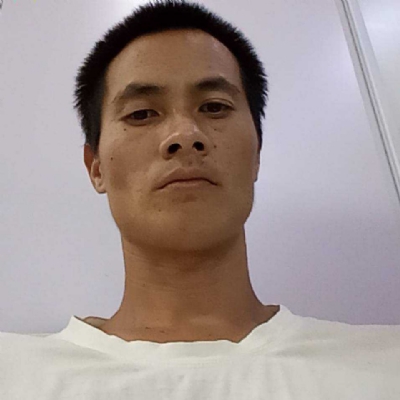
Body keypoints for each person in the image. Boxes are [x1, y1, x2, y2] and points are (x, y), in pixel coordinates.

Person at [1, 1, 399, 399]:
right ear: (96, 168)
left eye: (214, 107)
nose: (185, 135)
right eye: (142, 114)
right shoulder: (15, 373)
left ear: (257, 153)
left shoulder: (383, 365)